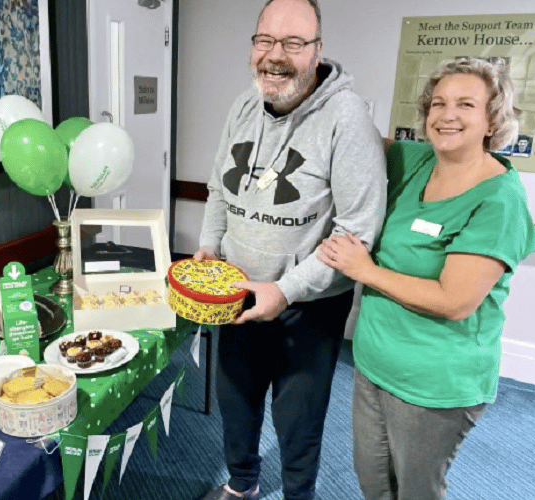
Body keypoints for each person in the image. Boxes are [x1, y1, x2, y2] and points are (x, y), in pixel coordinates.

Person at [318, 57, 535, 500]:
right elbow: (355, 138)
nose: (447, 114)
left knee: (417, 491)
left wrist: (366, 271)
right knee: (375, 484)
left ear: (492, 120)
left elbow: (454, 300)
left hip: (435, 386)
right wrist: (316, 90)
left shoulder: (499, 199)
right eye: (437, 103)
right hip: (373, 365)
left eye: (465, 104)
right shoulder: (413, 160)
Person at [193, 1, 387, 499]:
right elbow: (219, 189)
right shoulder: (242, 105)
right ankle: (241, 487)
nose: (275, 55)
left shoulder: (349, 120)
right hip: (235, 294)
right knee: (236, 404)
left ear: (318, 49)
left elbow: (355, 234)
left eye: (293, 43)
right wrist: (209, 246)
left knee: (298, 423)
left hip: (309, 307)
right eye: (265, 40)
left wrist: (284, 290)